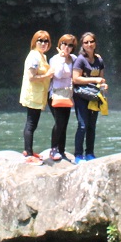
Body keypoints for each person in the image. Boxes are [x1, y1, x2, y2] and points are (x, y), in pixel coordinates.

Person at [19, 30, 54, 164]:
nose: (44, 43)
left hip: (38, 95)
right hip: (33, 94)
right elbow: (31, 77)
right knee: (31, 124)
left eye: (46, 41)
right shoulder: (34, 56)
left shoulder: (41, 56)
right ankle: (28, 154)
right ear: (35, 42)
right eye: (40, 40)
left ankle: (29, 150)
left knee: (32, 123)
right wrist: (48, 75)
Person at [73, 31, 107, 162]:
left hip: (94, 96)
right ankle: (78, 155)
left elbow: (101, 78)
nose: (89, 44)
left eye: (91, 41)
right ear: (83, 44)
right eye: (86, 42)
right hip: (81, 96)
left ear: (95, 43)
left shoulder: (99, 60)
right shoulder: (80, 60)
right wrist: (95, 79)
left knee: (92, 126)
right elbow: (75, 79)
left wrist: (103, 84)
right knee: (82, 125)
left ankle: (90, 153)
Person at [48, 34, 76, 162]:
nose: (67, 47)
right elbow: (58, 75)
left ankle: (62, 150)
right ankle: (53, 149)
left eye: (70, 45)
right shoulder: (54, 59)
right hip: (55, 94)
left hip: (67, 95)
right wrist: (62, 59)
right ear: (59, 44)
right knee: (59, 123)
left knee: (64, 124)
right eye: (64, 44)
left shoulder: (74, 59)